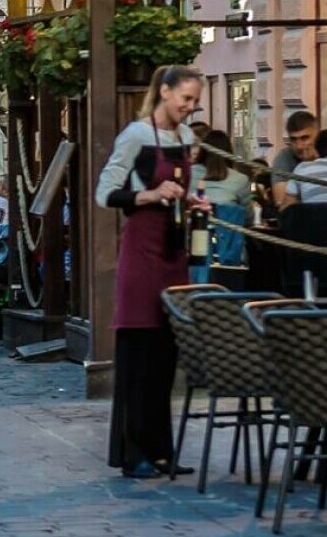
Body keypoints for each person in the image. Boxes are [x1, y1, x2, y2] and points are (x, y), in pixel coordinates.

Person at [95, 65, 206, 479]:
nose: (190, 107)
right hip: (142, 257)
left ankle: (162, 450)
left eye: (195, 101)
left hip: (174, 255)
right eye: (185, 99)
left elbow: (185, 188)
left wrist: (193, 203)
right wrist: (152, 194)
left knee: (165, 356)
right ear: (164, 92)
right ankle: (134, 452)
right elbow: (106, 192)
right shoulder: (137, 136)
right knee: (139, 356)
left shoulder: (187, 138)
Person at [193, 129, 245, 280]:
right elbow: (247, 217)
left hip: (192, 248)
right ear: (229, 152)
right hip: (229, 254)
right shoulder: (240, 180)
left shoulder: (189, 174)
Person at [267, 111, 319, 206]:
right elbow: (282, 203)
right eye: (293, 139)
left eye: (305, 138)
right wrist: (306, 165)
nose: (299, 146)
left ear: (317, 135)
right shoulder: (283, 158)